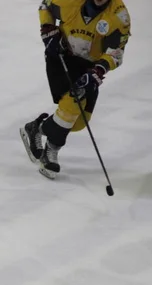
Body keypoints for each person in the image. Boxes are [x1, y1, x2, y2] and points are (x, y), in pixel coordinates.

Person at [20, 0, 131, 179]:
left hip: (90, 66)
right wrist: (48, 29)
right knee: (72, 104)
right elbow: (45, 6)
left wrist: (98, 71)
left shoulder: (119, 15)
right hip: (63, 56)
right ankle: (51, 152)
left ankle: (36, 128)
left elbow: (117, 52)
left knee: (78, 123)